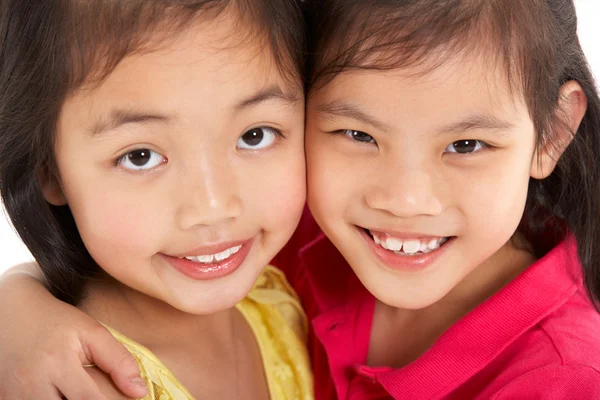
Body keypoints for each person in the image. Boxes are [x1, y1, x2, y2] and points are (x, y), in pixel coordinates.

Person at [3, 0, 600, 399]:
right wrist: (17, 304)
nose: (405, 199)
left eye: (467, 144)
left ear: (550, 132)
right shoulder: (297, 235)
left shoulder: (565, 380)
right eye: (359, 135)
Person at [0, 0, 312, 399]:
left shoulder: (281, 300)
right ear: (48, 168)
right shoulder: (75, 385)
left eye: (255, 135)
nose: (213, 207)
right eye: (139, 157)